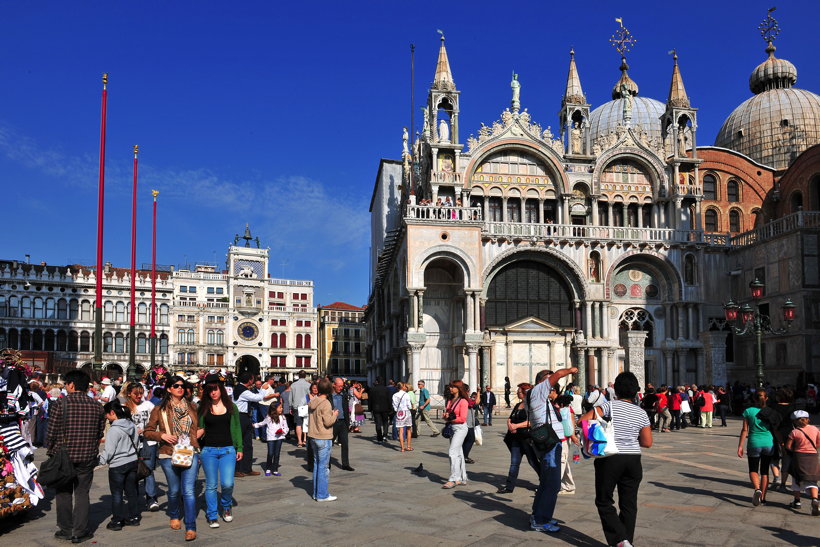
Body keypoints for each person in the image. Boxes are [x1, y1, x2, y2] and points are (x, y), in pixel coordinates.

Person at [580, 371, 652, 547]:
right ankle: (626, 542)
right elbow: (647, 442)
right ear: (635, 391)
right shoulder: (641, 413)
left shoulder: (607, 407)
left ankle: (621, 540)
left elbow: (583, 421)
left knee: (604, 500)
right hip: (633, 460)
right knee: (629, 504)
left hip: (610, 458)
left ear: (616, 390)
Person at [46, 369, 106, 544]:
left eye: (66, 384)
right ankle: (80, 531)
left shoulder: (60, 404)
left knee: (63, 492)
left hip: (63, 455)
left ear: (71, 385)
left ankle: (65, 529)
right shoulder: (96, 405)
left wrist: (51, 450)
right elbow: (99, 432)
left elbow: (51, 432)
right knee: (82, 493)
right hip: (87, 456)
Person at [144, 375, 201, 541]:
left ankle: (190, 527)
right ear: (169, 389)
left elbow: (200, 425)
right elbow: (147, 431)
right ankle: (175, 514)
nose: (180, 388)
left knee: (189, 491)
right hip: (168, 453)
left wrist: (200, 433)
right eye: (176, 386)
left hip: (189, 452)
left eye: (182, 386)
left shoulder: (192, 407)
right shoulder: (159, 409)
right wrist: (162, 435)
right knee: (174, 490)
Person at [527, 366, 578, 533]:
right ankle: (540, 520)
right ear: (543, 381)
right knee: (553, 483)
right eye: (550, 380)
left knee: (547, 481)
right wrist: (571, 370)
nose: (553, 384)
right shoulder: (539, 390)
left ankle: (540, 515)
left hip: (550, 443)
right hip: (549, 444)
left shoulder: (539, 396)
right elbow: (557, 375)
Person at [197, 378, 243, 529]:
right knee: (211, 485)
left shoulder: (231, 407)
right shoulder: (202, 407)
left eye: (215, 389)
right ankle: (211, 514)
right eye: (210, 390)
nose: (213, 392)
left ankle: (226, 505)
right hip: (208, 450)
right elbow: (199, 428)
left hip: (228, 449)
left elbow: (236, 428)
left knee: (227, 483)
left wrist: (240, 447)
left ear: (221, 389)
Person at [99, 400, 141, 531]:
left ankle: (117, 521)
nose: (106, 417)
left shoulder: (114, 430)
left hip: (118, 465)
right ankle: (134, 517)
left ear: (112, 412)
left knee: (117, 494)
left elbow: (109, 451)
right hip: (132, 461)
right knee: (131, 492)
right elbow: (137, 443)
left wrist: (100, 461)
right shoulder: (131, 425)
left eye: (107, 414)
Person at [123, 382, 160, 512]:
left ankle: (151, 498)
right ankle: (134, 497)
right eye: (136, 393)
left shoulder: (148, 405)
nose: (139, 396)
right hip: (132, 443)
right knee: (133, 471)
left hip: (148, 442)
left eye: (141, 393)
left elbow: (157, 420)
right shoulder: (125, 408)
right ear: (129, 394)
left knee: (148, 470)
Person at [498, 382, 539, 494]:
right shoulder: (518, 405)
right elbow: (510, 418)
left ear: (525, 393)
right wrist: (510, 425)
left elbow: (532, 422)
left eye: (519, 391)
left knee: (533, 462)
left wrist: (516, 426)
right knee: (514, 463)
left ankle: (544, 482)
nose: (517, 393)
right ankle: (509, 486)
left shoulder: (531, 405)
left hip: (527, 438)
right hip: (516, 438)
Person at [737, 389, 775, 507]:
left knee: (753, 469)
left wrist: (740, 446)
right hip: (769, 442)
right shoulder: (770, 411)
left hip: (754, 442)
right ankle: (763, 498)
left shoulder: (748, 411)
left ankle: (757, 489)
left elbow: (744, 430)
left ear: (753, 398)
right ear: (767, 398)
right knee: (765, 471)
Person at [233, 372, 275, 476]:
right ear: (250, 380)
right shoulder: (242, 390)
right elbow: (258, 398)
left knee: (248, 443)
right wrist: (263, 389)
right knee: (240, 443)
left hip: (245, 416)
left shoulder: (241, 388)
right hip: (240, 416)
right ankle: (238, 469)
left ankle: (247, 468)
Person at [308, 378, 338, 502]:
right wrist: (334, 415)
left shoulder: (313, 400)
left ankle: (316, 493)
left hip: (313, 436)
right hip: (323, 437)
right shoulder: (326, 403)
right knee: (324, 467)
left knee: (317, 465)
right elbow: (328, 422)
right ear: (330, 389)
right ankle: (322, 494)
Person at [784, 410, 819, 515]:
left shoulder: (795, 432)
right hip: (813, 456)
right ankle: (814, 499)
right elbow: (818, 443)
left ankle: (797, 501)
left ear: (795, 422)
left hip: (799, 457)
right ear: (808, 419)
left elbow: (788, 446)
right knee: (812, 480)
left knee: (797, 478)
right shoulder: (815, 429)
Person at [442, 380, 470, 489]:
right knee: (459, 453)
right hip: (452, 428)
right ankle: (462, 477)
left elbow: (463, 418)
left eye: (453, 387)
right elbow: (448, 413)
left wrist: (451, 418)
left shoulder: (463, 401)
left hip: (461, 429)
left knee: (452, 452)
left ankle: (453, 479)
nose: (450, 389)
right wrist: (445, 416)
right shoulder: (450, 400)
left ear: (459, 388)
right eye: (450, 387)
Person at [253, 403, 289, 476]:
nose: (281, 409)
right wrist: (254, 425)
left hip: (280, 437)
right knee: (270, 453)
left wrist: (284, 432)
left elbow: (286, 427)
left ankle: (275, 469)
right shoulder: (269, 417)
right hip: (271, 438)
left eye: (281, 407)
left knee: (277, 454)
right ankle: (268, 468)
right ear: (274, 409)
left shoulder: (282, 417)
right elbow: (262, 423)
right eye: (280, 407)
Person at [329, 378, 355, 470]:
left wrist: (348, 422)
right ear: (334, 385)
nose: (341, 388)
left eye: (342, 386)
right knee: (329, 443)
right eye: (339, 386)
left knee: (345, 443)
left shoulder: (344, 395)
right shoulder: (329, 396)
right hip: (333, 422)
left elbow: (345, 408)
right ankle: (327, 463)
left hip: (343, 422)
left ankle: (345, 464)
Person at [289, 371, 312, 448]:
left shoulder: (293, 385)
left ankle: (299, 441)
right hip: (306, 406)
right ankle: (305, 439)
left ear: (298, 376)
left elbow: (290, 397)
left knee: (298, 424)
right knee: (305, 423)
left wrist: (290, 406)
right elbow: (309, 396)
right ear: (305, 376)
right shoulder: (308, 385)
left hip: (296, 406)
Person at [369, 377, 392, 443]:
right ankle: (384, 435)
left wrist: (370, 408)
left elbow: (370, 400)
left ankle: (379, 438)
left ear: (377, 381)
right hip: (385, 408)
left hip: (376, 408)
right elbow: (389, 400)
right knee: (385, 422)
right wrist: (390, 408)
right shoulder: (386, 389)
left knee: (378, 423)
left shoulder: (372, 389)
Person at [392, 382, 413, 452]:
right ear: (402, 387)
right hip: (406, 411)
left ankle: (402, 448)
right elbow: (409, 405)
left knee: (401, 430)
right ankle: (409, 446)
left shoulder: (394, 395)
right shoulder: (406, 394)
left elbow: (394, 406)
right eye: (404, 386)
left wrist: (397, 410)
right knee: (409, 429)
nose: (406, 387)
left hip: (399, 412)